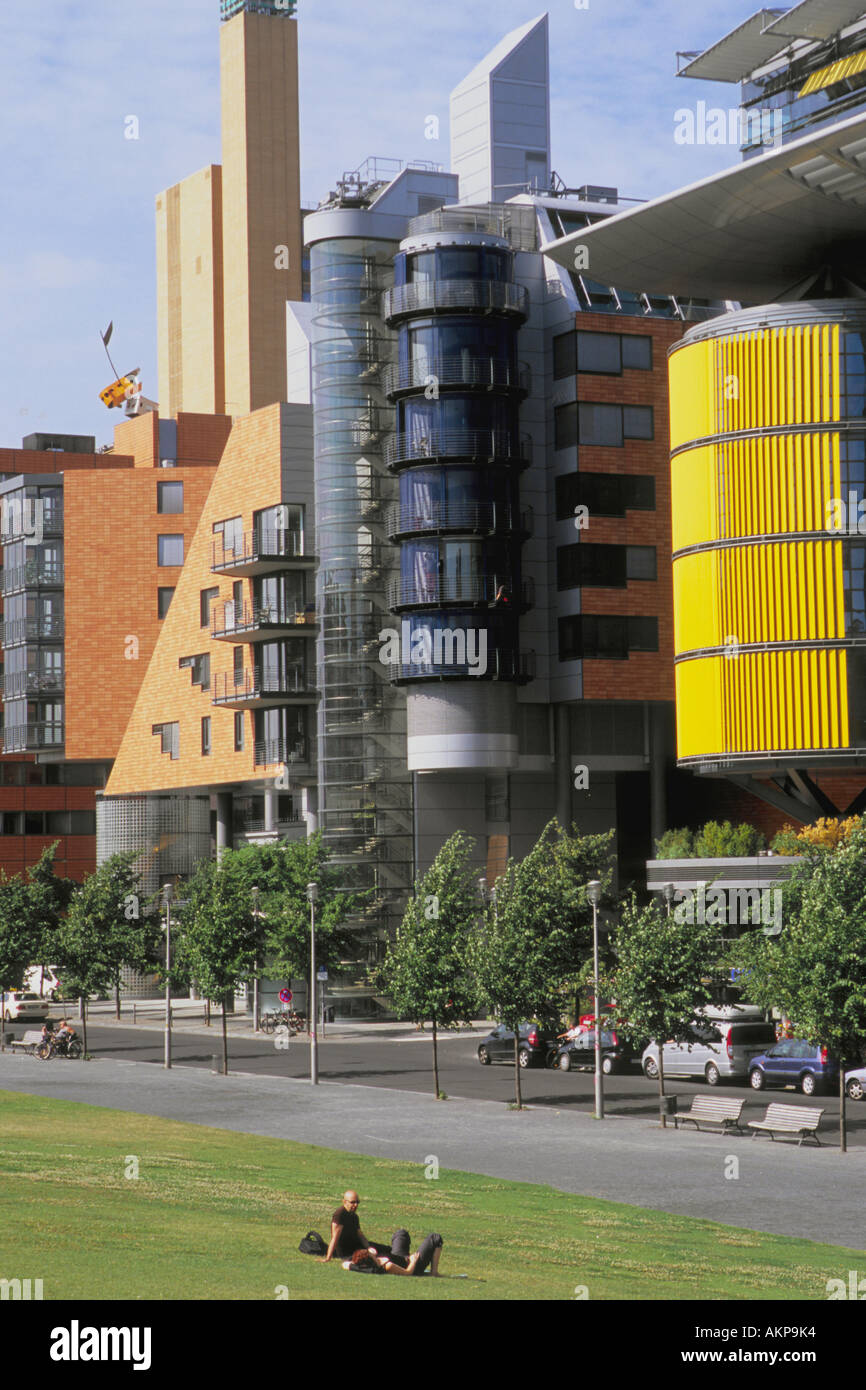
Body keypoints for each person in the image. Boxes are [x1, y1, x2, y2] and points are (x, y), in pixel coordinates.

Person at [321, 1191, 388, 1263]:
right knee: (382, 1255)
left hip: (358, 1245)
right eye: (352, 1202)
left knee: (386, 1249)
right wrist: (328, 1258)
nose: (355, 1205)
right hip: (349, 1251)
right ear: (344, 1202)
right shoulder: (340, 1215)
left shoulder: (354, 1216)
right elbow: (335, 1238)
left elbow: (360, 1235)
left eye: (357, 1202)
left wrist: (368, 1247)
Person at [346, 1232, 444, 1278]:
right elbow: (408, 1273)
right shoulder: (387, 1266)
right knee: (435, 1238)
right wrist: (413, 1261)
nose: (370, 1251)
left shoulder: (363, 1263)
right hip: (412, 1266)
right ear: (370, 1259)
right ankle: (434, 1272)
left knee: (401, 1233)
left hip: (399, 1256)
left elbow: (345, 1264)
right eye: (369, 1253)